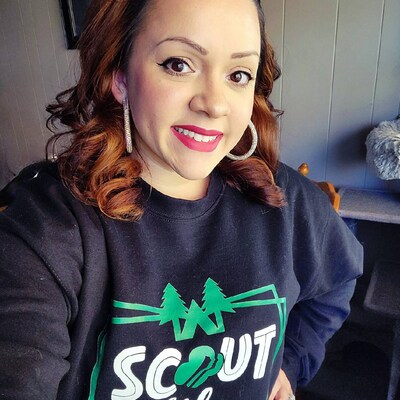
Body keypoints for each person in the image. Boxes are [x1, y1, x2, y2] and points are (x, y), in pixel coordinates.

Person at [0, 0, 363, 399]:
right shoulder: (48, 227)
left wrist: (290, 361)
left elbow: (337, 279)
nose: (214, 104)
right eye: (178, 64)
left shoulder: (283, 198)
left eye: (238, 74)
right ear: (119, 75)